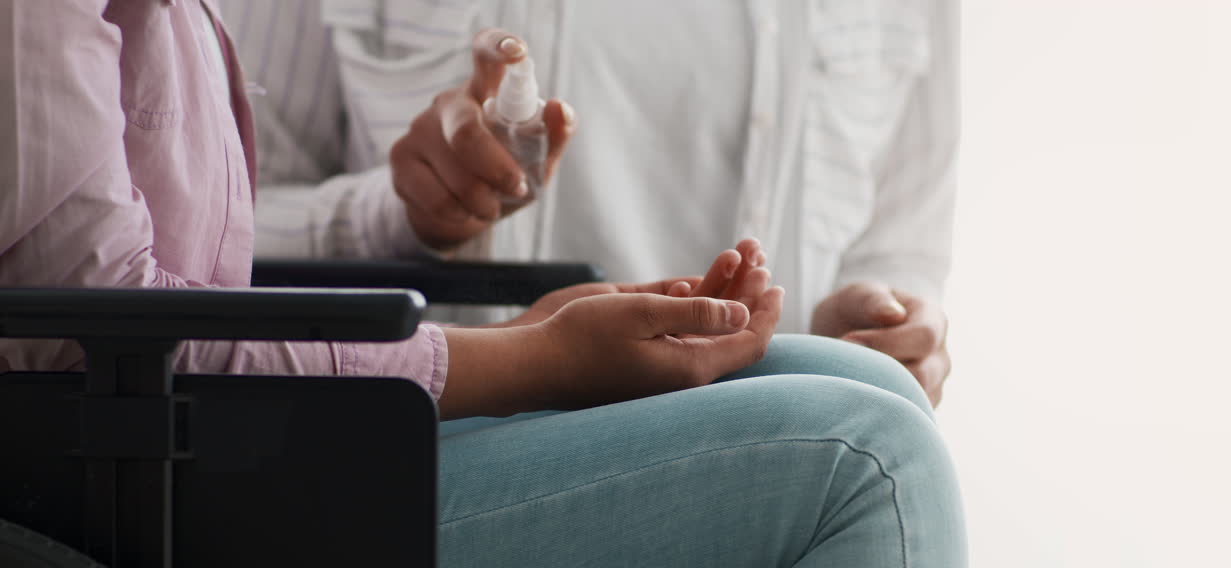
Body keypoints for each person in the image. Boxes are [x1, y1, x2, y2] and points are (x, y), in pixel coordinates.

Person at [0, 2, 966, 568]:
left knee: (866, 389)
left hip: (317, 432)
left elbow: (197, 267)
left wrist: (525, 344)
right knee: (869, 463)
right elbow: (92, 324)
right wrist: (527, 354)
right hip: (180, 515)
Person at [222, 0, 958, 408]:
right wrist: (396, 216)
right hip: (430, 495)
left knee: (882, 442)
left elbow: (902, 240)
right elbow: (200, 247)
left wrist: (874, 327)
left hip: (769, 546)